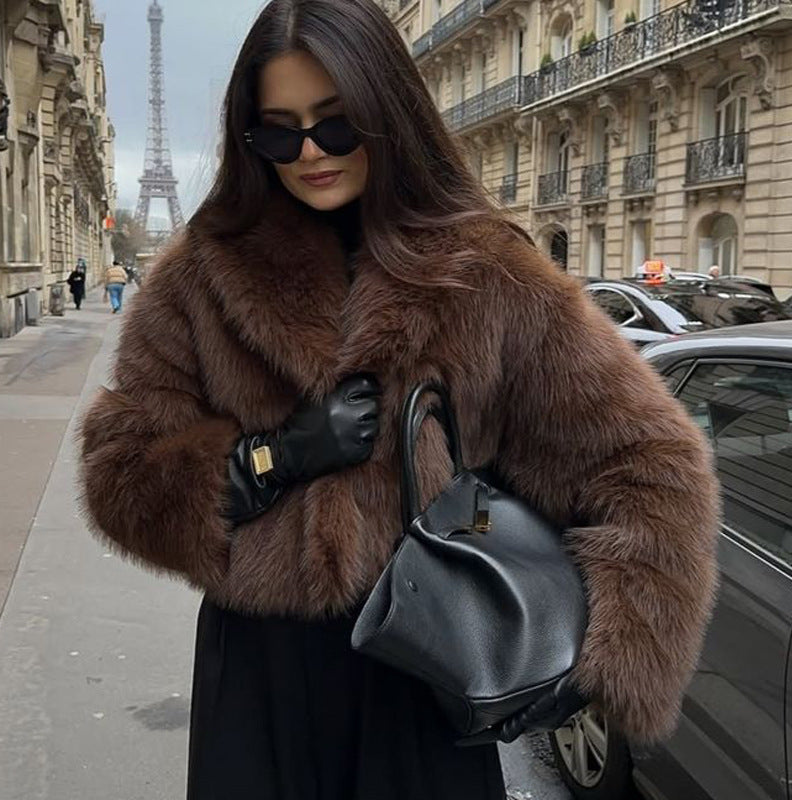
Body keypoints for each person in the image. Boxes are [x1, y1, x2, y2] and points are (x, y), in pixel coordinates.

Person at [78, 2, 719, 798]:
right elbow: (119, 470)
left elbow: (649, 467)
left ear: (387, 110)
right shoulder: (202, 275)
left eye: (335, 124)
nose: (309, 151)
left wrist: (595, 659)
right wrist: (276, 457)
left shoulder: (488, 275)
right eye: (278, 132)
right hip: (262, 672)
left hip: (428, 668)